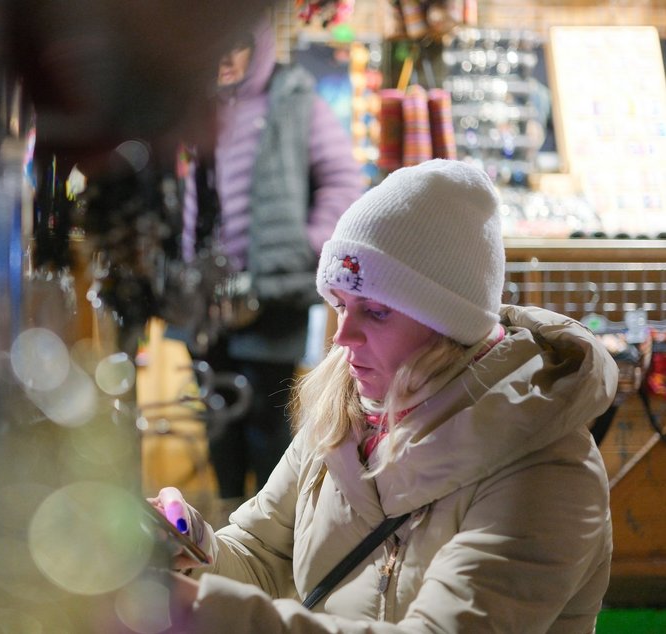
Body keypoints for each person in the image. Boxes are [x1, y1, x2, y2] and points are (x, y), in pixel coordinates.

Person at [152, 159, 617, 632]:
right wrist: (191, 545)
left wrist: (209, 612)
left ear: (448, 325)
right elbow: (260, 553)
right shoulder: (344, 409)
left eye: (374, 312)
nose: (341, 336)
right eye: (339, 305)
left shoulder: (548, 468)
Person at [174, 15, 363, 517]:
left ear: (255, 45)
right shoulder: (199, 106)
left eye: (236, 47)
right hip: (207, 299)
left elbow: (344, 183)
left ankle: (276, 543)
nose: (225, 60)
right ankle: (225, 541)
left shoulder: (294, 99)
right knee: (217, 421)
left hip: (273, 294)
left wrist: (299, 247)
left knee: (266, 423)